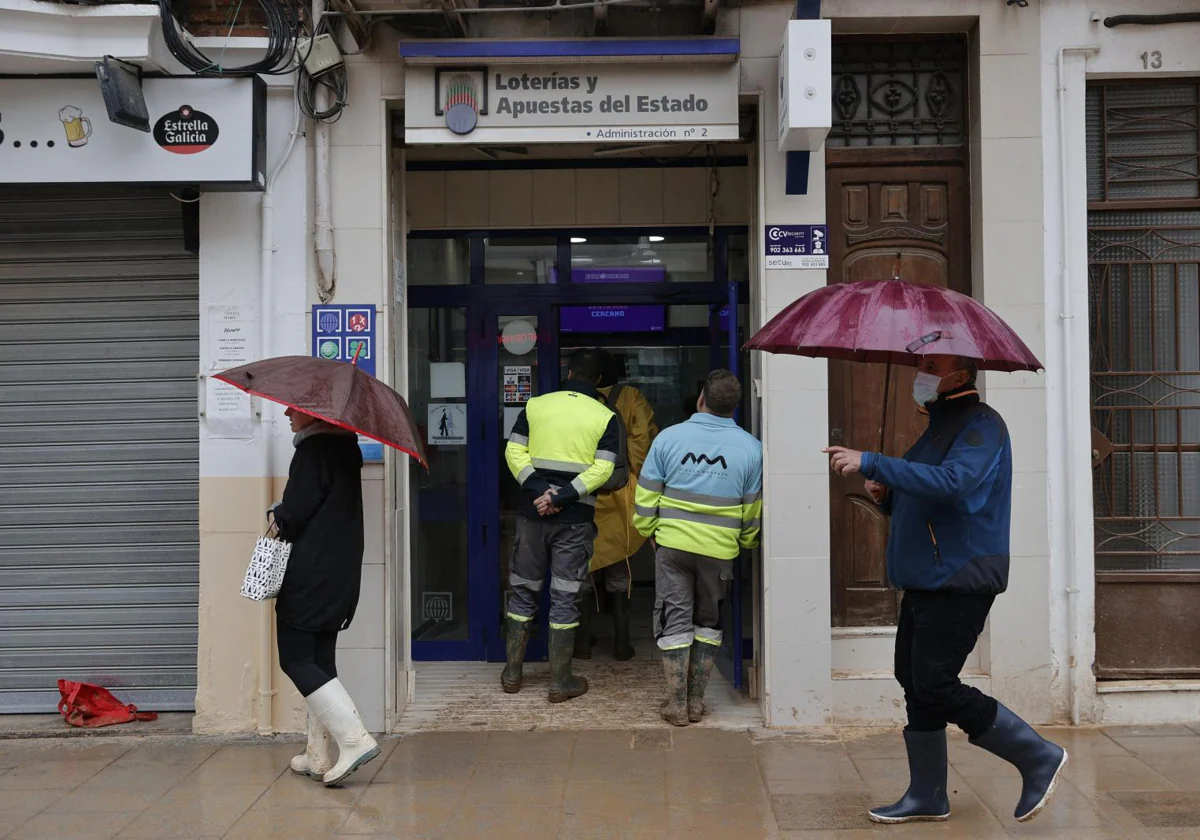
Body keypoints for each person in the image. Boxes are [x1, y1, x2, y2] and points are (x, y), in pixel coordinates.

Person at [823, 354, 1068, 825]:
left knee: (935, 682)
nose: (922, 374)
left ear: (960, 374)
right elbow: (925, 489)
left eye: (932, 366)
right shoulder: (939, 424)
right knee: (913, 677)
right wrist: (886, 492)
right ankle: (927, 795)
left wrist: (872, 460)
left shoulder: (982, 424)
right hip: (926, 576)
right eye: (921, 366)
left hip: (960, 576)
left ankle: (1036, 754)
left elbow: (957, 484)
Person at [633, 370, 761, 726]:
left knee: (674, 620)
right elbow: (752, 508)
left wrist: (648, 531)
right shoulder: (752, 448)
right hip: (719, 550)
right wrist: (746, 542)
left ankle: (675, 705)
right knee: (709, 621)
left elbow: (646, 494)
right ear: (734, 407)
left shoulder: (669, 439)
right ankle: (696, 703)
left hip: (672, 546)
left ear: (701, 398)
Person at [502, 348, 621, 703]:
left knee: (523, 590)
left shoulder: (536, 405)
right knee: (565, 596)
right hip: (574, 520)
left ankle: (512, 673)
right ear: (599, 381)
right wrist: (563, 496)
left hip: (531, 516)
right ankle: (561, 681)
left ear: (568, 373)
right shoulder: (606, 415)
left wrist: (540, 491)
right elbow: (604, 469)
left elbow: (513, 452)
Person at [272, 406, 379, 787]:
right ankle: (317, 753)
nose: (286, 412)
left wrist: (280, 510)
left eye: (294, 408)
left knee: (296, 659)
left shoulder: (313, 451)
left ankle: (353, 739)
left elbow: (297, 513)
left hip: (310, 573)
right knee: (320, 661)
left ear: (314, 415)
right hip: (340, 573)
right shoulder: (347, 449)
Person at [575, 349, 659, 662]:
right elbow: (642, 443)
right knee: (619, 568)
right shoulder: (631, 398)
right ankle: (622, 644)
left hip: (581, 494)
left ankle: (582, 643)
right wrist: (633, 480)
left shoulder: (575, 400)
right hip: (620, 495)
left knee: (581, 568)